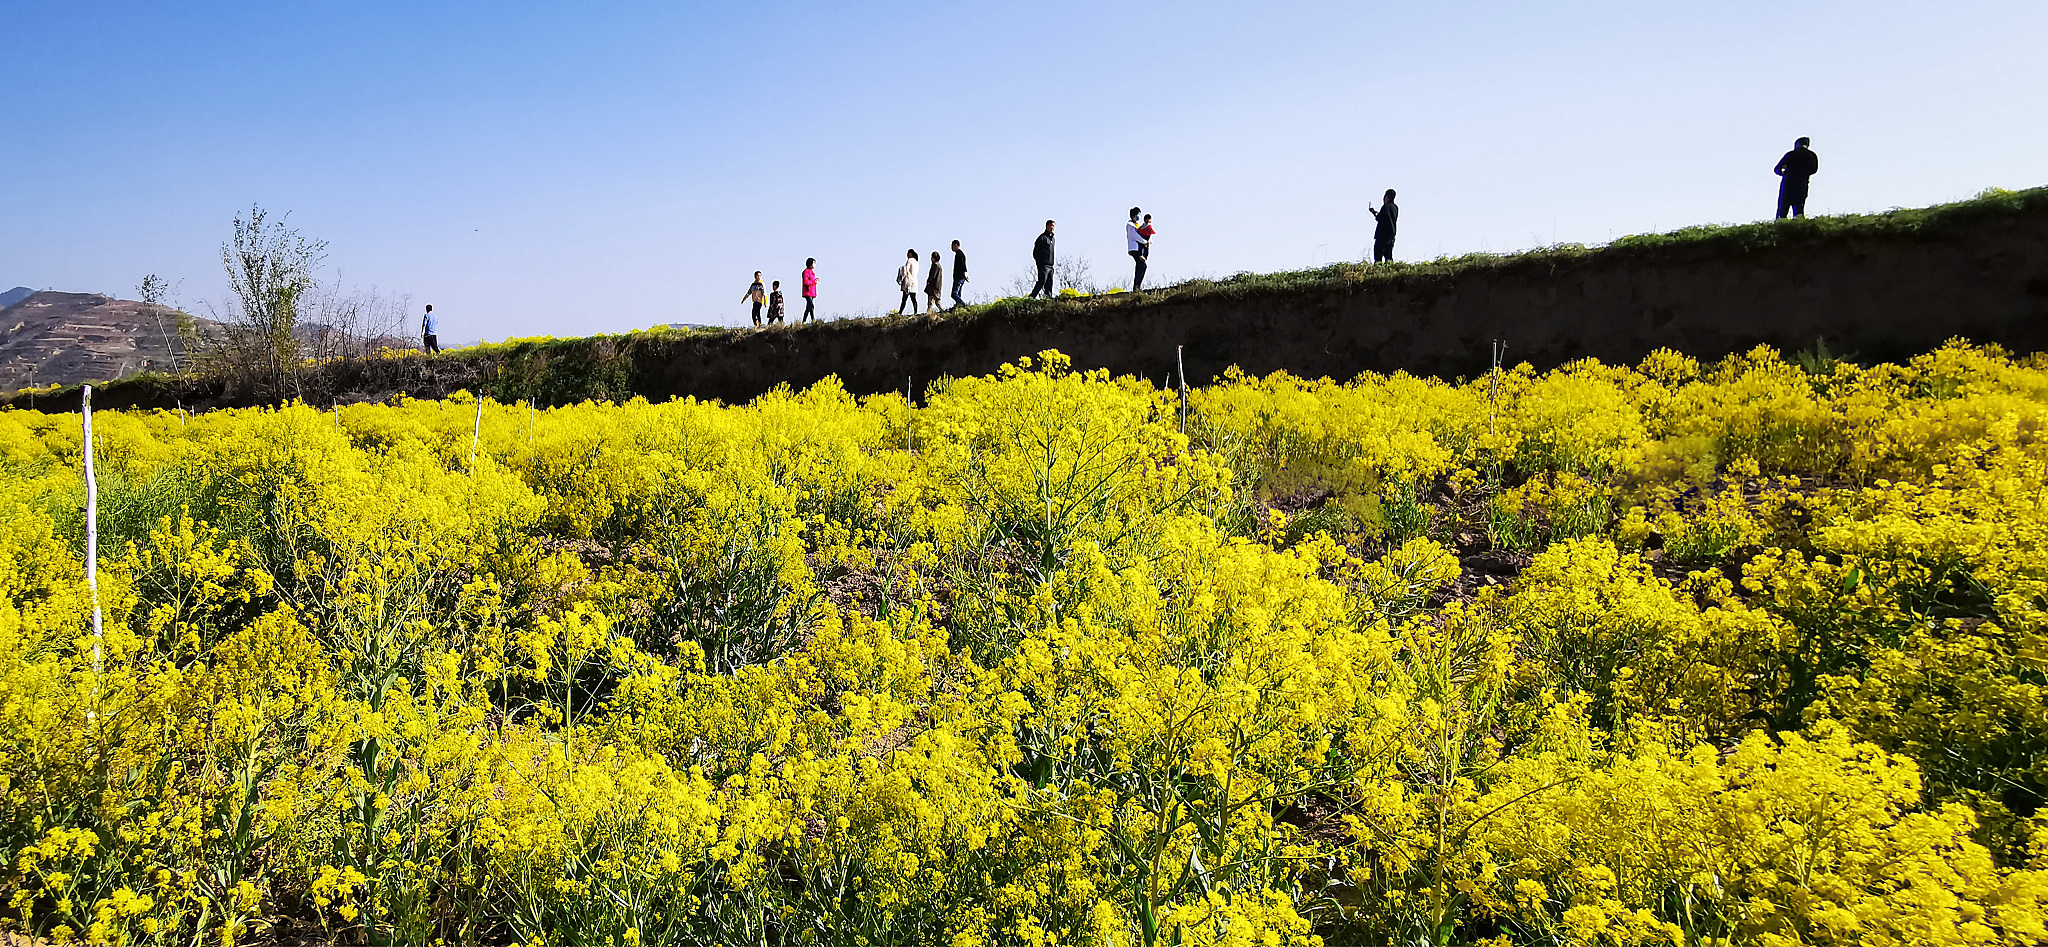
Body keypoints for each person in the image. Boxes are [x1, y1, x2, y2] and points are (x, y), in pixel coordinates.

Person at [1774, 137, 1819, 219]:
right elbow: (1814, 170)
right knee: (1799, 209)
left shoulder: (1790, 155)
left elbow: (1777, 169)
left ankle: (1780, 224)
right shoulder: (1811, 155)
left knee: (1782, 209)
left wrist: (1784, 173)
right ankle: (1798, 224)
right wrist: (1804, 173)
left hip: (1788, 184)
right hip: (1802, 183)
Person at [1369, 190, 1398, 263]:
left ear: (1387, 197)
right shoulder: (1395, 208)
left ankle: (1378, 269)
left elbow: (1379, 218)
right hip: (1391, 235)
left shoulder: (1385, 207)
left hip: (1382, 235)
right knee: (1388, 256)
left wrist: (1374, 213)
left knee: (1378, 256)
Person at [1030, 220, 1057, 298]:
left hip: (1051, 265)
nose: (1052, 228)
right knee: (1042, 281)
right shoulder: (1042, 238)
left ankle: (1048, 298)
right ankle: (1032, 297)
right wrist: (1040, 263)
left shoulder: (1053, 239)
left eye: (1054, 226)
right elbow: (1035, 252)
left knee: (1049, 284)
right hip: (1043, 265)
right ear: (1047, 226)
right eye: (1051, 226)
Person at [1126, 207, 1149, 291]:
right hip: (1134, 249)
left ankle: (1137, 286)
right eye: (1137, 216)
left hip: (1139, 248)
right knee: (1142, 265)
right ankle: (1137, 286)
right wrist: (1144, 241)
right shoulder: (1130, 225)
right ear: (1133, 216)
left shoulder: (1138, 225)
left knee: (1141, 265)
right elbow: (1135, 236)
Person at [896, 249, 921, 314]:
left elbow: (906, 271)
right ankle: (915, 312)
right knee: (913, 299)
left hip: (908, 282)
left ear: (910, 254)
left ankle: (900, 312)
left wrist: (901, 278)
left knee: (904, 299)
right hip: (914, 282)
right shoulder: (916, 262)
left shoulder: (909, 260)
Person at [950, 240, 968, 310]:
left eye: (952, 246)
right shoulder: (959, 254)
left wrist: (964, 272)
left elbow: (963, 265)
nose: (951, 247)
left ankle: (962, 304)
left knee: (954, 294)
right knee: (958, 294)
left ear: (955, 245)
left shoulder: (959, 254)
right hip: (960, 277)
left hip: (959, 277)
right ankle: (959, 307)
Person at [801, 258, 819, 323]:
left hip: (811, 292)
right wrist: (814, 282)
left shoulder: (812, 272)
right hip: (808, 292)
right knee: (811, 306)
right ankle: (811, 320)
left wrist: (815, 281)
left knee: (809, 307)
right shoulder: (806, 272)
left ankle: (807, 320)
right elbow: (806, 282)